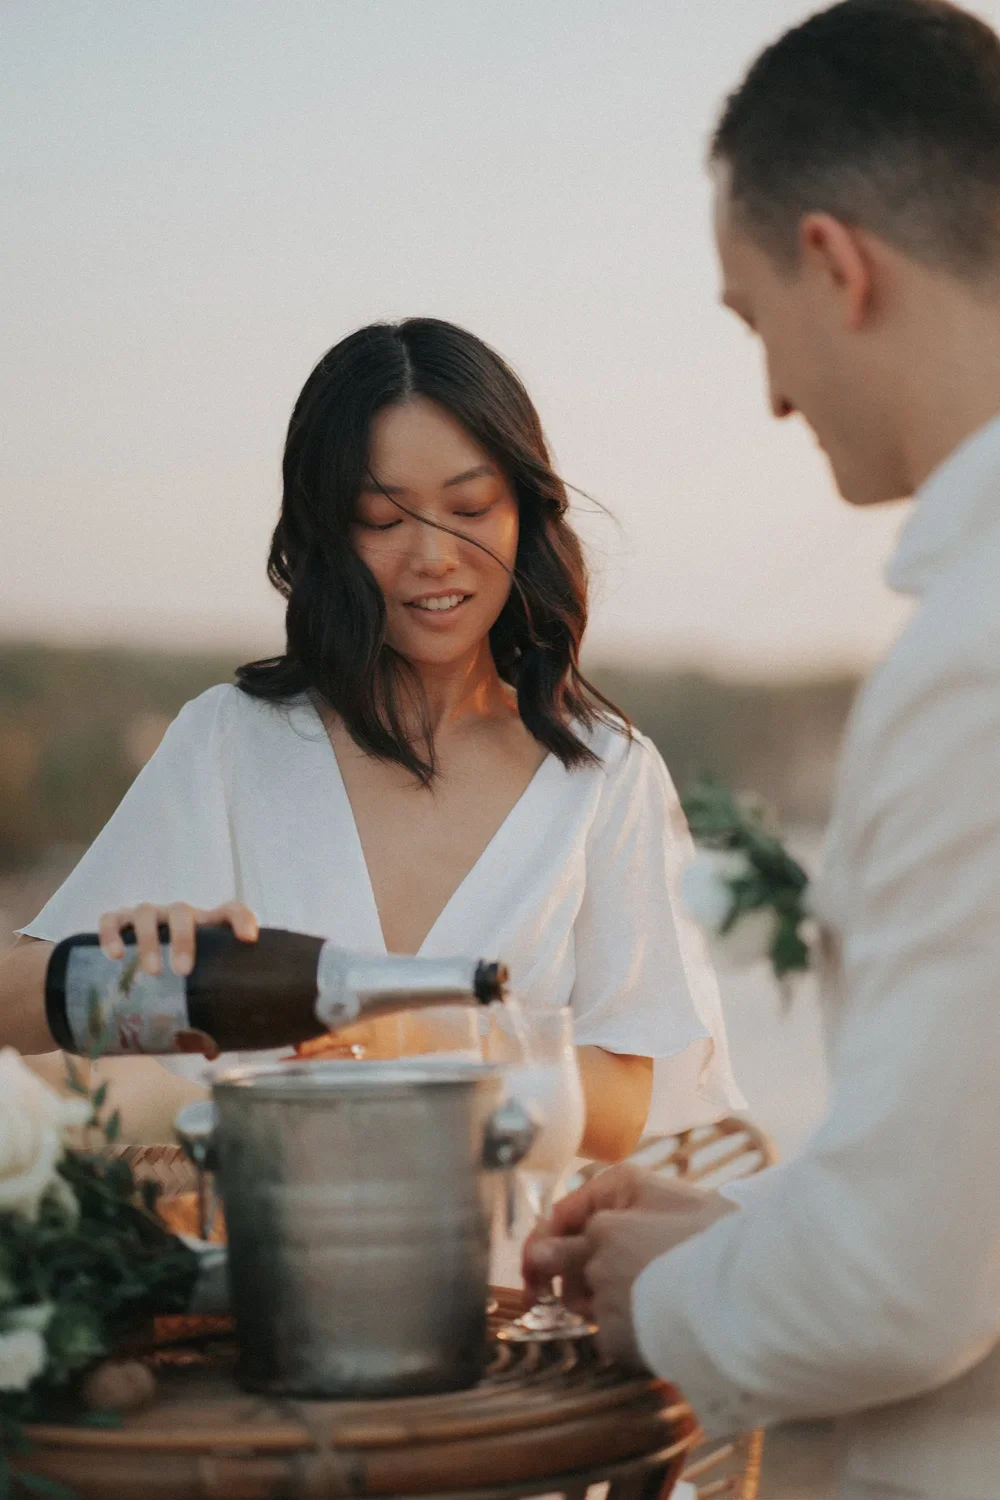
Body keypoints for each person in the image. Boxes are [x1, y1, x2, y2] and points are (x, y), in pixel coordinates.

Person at [526, 2, 1000, 1495]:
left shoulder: (974, 661)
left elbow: (902, 1288)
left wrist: (648, 1302)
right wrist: (745, 1241)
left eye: (754, 320)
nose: (775, 393)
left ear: (834, 263)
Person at [0, 316, 741, 1166]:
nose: (433, 555)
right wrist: (118, 965)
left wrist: (409, 1037)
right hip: (268, 1264)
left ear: (523, 515)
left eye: (469, 508)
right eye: (381, 519)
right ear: (326, 531)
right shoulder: (233, 740)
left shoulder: (604, 773)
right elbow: (8, 1006)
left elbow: (622, 1105)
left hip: (522, 1282)